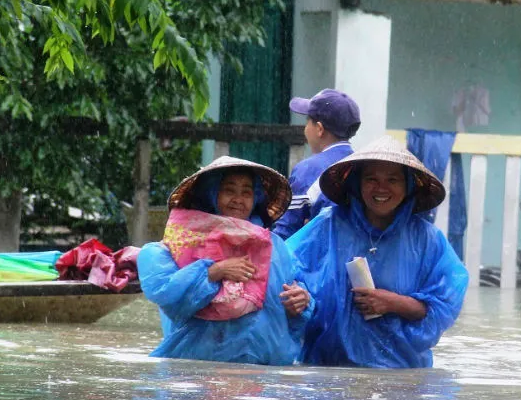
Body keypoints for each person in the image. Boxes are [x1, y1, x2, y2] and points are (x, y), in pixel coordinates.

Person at [286, 136, 469, 369]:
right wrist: (300, 297)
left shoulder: (427, 240)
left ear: (408, 186)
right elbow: (285, 266)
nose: (381, 188)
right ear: (357, 183)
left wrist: (393, 303)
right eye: (371, 179)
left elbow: (444, 307)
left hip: (401, 374)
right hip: (327, 370)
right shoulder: (328, 225)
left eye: (392, 180)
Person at [137, 156, 313, 365]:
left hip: (263, 374)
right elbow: (168, 297)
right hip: (198, 371)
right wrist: (214, 272)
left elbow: (294, 297)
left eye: (246, 192)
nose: (238, 199)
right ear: (211, 194)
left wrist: (301, 302)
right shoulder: (180, 246)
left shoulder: (276, 247)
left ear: (255, 198)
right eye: (229, 190)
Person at [271, 88, 361, 240]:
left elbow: (287, 231)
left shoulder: (308, 169)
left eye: (307, 121)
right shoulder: (361, 164)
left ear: (319, 129)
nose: (305, 129)